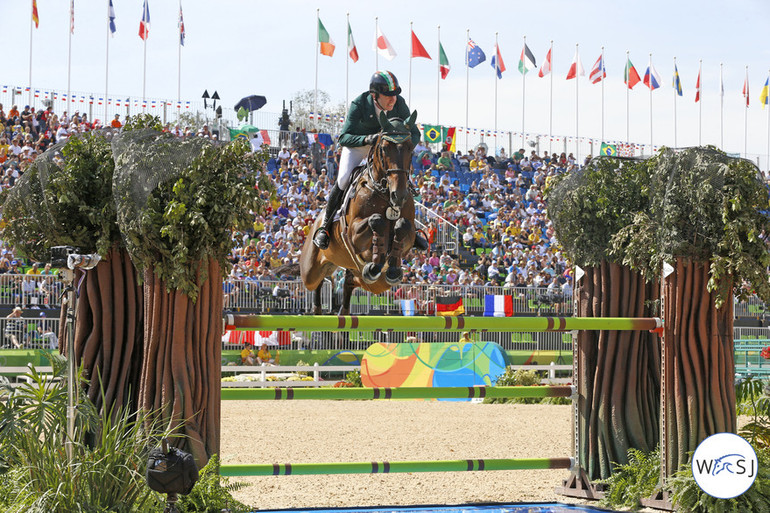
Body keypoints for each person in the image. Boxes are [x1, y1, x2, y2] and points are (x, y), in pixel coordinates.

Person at [313, 71, 420, 250]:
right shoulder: (360, 104)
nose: (393, 99)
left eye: (395, 94)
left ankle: (411, 231)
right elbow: (344, 137)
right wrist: (367, 139)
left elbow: (414, 133)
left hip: (388, 147)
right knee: (344, 179)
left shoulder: (399, 104)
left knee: (401, 179)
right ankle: (326, 227)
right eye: (388, 95)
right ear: (374, 95)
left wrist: (405, 146)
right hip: (360, 145)